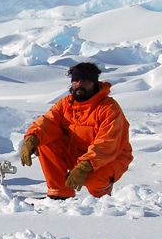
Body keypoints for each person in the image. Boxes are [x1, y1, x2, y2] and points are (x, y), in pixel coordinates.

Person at [19, 62, 133, 199]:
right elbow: (47, 122)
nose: (79, 84)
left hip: (109, 158)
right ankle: (59, 193)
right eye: (76, 81)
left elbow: (107, 142)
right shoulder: (66, 104)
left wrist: (85, 165)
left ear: (94, 83)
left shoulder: (109, 108)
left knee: (91, 178)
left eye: (85, 81)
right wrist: (32, 137)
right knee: (44, 142)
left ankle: (102, 195)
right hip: (77, 153)